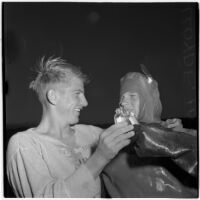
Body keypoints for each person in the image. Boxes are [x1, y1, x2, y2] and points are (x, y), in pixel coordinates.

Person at [6, 57, 135, 198]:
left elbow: (138, 143)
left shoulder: (91, 133)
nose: (85, 103)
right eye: (77, 94)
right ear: (53, 97)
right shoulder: (24, 145)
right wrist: (100, 157)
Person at [102, 71, 197, 198]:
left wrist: (180, 134)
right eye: (122, 97)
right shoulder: (113, 142)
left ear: (147, 99)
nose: (124, 102)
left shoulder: (172, 132)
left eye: (132, 96)